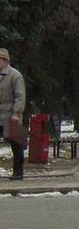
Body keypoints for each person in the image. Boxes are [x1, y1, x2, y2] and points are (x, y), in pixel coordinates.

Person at [0, 48, 27, 180]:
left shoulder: (15, 75)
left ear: (5, 60)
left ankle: (18, 172)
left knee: (16, 145)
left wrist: (17, 112)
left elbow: (20, 96)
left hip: (11, 115)